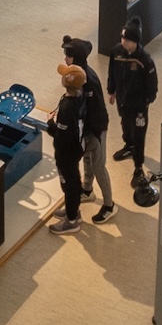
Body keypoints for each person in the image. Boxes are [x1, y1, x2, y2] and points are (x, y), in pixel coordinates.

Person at [59, 37, 114, 221]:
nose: (65, 59)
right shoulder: (78, 74)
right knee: (87, 160)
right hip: (87, 128)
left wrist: (94, 134)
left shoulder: (88, 79)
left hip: (96, 128)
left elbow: (96, 109)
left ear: (77, 57)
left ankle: (109, 205)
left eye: (68, 55)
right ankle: (87, 190)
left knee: (98, 165)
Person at [107, 19, 159, 182]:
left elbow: (152, 83)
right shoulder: (116, 52)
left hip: (138, 105)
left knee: (139, 134)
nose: (123, 42)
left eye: (127, 39)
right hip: (123, 101)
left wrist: (148, 100)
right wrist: (111, 90)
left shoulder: (144, 59)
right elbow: (112, 72)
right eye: (122, 38)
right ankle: (128, 146)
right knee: (125, 126)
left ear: (136, 41)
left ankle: (138, 166)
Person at [46, 64, 93, 233]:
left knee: (69, 185)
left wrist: (50, 123)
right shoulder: (81, 98)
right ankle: (72, 211)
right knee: (73, 181)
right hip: (77, 148)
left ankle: (71, 220)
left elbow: (61, 136)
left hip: (67, 153)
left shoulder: (67, 108)